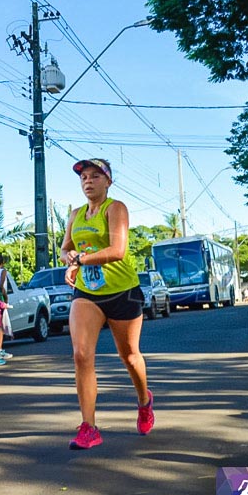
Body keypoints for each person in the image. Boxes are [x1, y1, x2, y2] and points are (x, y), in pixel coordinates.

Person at [61, 158, 153, 450]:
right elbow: (66, 249)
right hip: (88, 292)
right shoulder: (76, 214)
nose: (88, 181)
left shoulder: (116, 208)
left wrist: (82, 259)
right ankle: (89, 426)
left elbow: (118, 249)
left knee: (129, 356)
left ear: (108, 181)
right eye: (84, 177)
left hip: (122, 291)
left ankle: (144, 400)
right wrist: (70, 261)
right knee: (81, 354)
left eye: (95, 176)